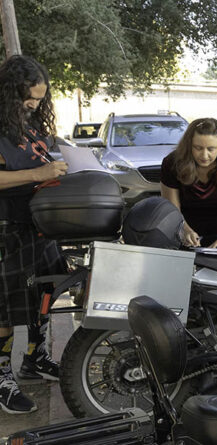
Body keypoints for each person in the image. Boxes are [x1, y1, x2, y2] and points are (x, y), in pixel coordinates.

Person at [0, 55, 69, 414]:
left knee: (44, 292)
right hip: (7, 227)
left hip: (40, 225)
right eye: (29, 98)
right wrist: (38, 175)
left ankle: (33, 358)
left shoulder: (31, 124)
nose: (35, 105)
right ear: (10, 92)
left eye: (40, 99)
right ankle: (2, 378)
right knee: (5, 309)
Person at [160, 118, 217, 249]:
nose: (204, 155)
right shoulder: (172, 163)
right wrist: (185, 229)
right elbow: (173, 209)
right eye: (198, 148)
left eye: (211, 149)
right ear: (189, 145)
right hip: (182, 233)